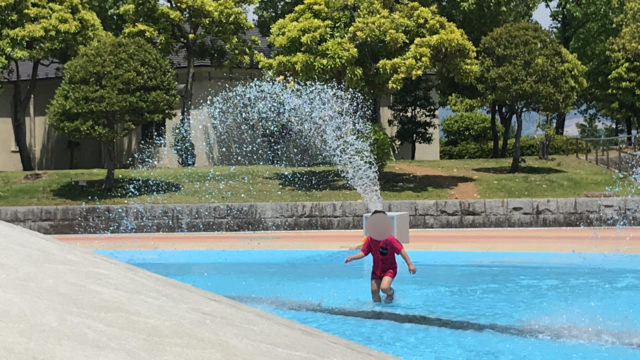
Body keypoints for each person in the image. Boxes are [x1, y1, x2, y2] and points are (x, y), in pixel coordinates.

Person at [344, 210, 417, 303]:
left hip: (389, 269)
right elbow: (363, 252)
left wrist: (410, 264)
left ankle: (391, 293)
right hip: (376, 271)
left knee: (384, 288)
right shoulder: (370, 239)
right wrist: (352, 257)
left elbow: (401, 251)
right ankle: (378, 311)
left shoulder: (390, 239)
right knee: (374, 292)